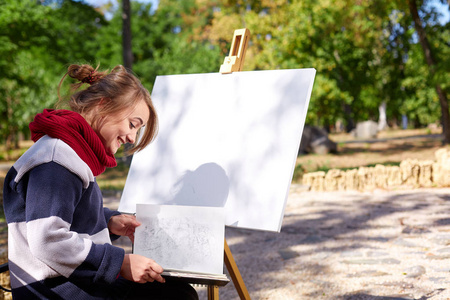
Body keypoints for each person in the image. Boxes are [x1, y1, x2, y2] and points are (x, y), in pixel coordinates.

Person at [3, 64, 199, 300]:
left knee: (176, 290)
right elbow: (48, 240)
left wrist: (108, 221)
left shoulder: (70, 152)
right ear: (103, 105)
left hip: (73, 283)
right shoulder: (56, 160)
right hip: (55, 291)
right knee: (176, 296)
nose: (131, 137)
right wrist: (120, 263)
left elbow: (65, 214)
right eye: (133, 124)